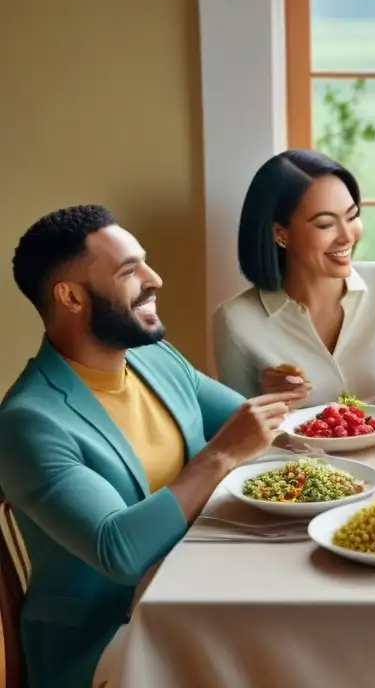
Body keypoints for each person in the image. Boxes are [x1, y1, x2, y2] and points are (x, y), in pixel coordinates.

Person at [0, 206, 303, 688]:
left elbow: (252, 425)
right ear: (71, 297)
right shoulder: (28, 422)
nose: (154, 278)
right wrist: (221, 455)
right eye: (128, 271)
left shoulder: (153, 357)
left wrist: (323, 431)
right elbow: (118, 550)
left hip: (200, 586)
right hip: (108, 640)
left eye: (144, 261)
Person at [213, 149, 375, 407]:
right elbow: (237, 433)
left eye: (352, 216)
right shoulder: (236, 319)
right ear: (281, 234)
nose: (347, 236)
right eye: (325, 224)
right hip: (293, 450)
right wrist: (264, 398)